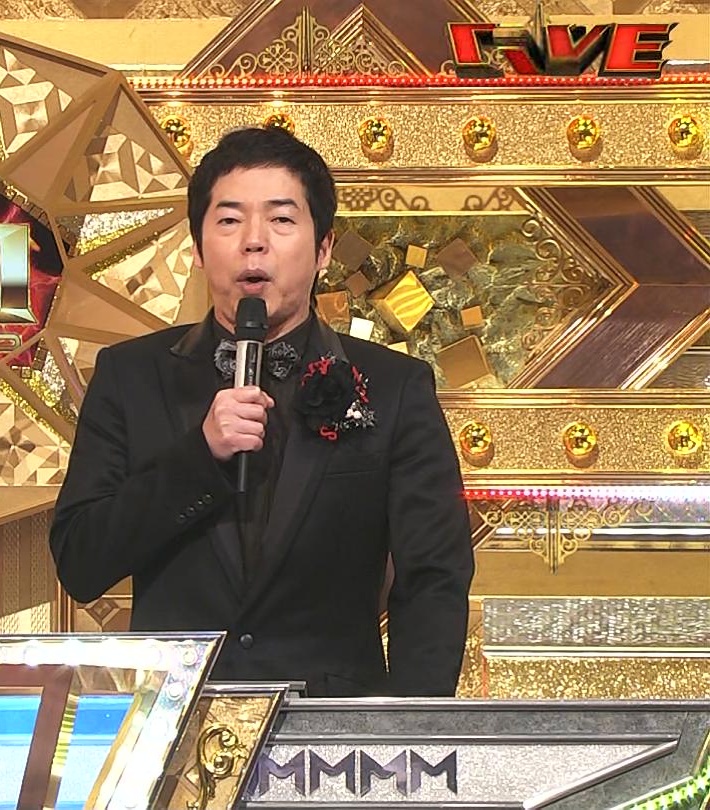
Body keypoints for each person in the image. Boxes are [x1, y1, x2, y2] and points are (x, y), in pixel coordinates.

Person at [49, 127, 473, 697]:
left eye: (281, 219)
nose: (254, 242)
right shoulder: (131, 377)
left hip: (332, 725)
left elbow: (433, 577)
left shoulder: (395, 387)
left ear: (323, 249)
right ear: (198, 248)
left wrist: (406, 728)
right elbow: (80, 562)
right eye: (229, 220)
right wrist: (200, 457)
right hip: (173, 715)